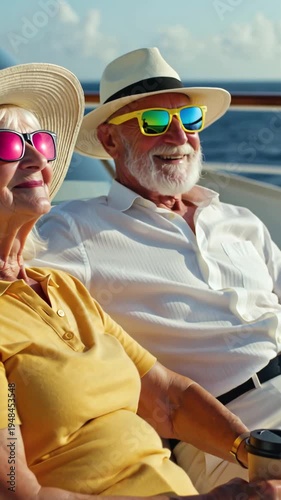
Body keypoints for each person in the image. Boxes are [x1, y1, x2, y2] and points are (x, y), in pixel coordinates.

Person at [2, 62, 279, 500]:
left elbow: (168, 396)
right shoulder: (78, 232)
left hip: (232, 440)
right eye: (153, 121)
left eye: (189, 119)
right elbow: (17, 491)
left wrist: (250, 450)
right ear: (110, 140)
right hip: (232, 419)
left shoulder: (60, 287)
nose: (179, 135)